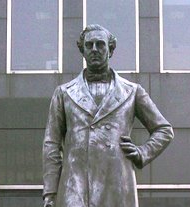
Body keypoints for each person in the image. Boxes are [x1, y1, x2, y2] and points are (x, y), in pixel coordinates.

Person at [42, 24, 174, 207]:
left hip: (117, 186)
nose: (94, 49)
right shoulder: (64, 93)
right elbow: (52, 144)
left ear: (110, 50)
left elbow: (164, 130)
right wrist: (50, 192)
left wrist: (142, 152)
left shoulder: (132, 91)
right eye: (89, 45)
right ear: (82, 50)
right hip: (75, 187)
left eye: (100, 44)